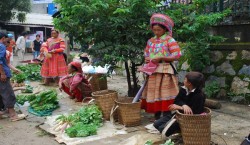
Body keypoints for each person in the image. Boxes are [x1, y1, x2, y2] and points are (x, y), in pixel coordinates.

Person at [141, 13, 182, 120]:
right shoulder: (150, 41)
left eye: (159, 30)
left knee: (165, 93)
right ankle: (157, 116)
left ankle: (167, 116)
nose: (156, 32)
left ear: (165, 29)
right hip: (153, 71)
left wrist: (161, 58)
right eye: (154, 30)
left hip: (165, 71)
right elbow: (146, 54)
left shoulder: (170, 40)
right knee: (155, 93)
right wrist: (148, 59)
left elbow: (177, 55)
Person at [153, 71, 206, 137]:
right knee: (156, 124)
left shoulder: (199, 95)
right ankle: (172, 127)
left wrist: (180, 107)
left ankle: (180, 131)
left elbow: (196, 112)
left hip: (187, 120)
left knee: (162, 129)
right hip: (177, 115)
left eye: (185, 79)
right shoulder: (183, 89)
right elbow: (177, 100)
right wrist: (184, 105)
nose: (183, 80)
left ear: (189, 83)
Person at [0, 32, 26, 121]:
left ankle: (1, 113)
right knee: (8, 93)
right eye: (8, 40)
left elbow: (6, 63)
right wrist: (2, 73)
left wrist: (15, 70)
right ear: (3, 38)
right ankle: (13, 115)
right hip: (2, 74)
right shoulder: (1, 46)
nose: (9, 42)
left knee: (1, 93)